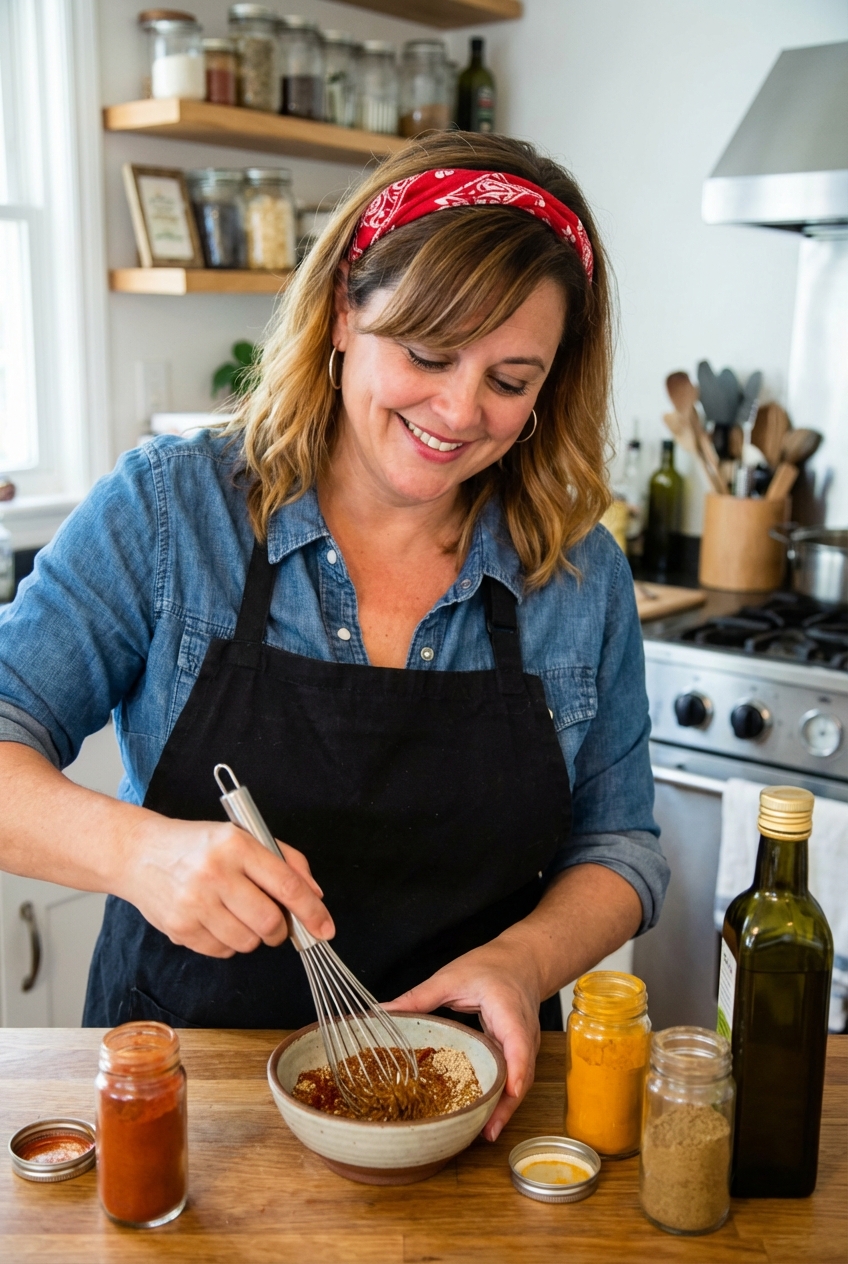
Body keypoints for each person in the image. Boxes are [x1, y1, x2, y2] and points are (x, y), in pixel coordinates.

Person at [0, 132, 667, 1142]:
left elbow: (617, 848)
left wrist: (524, 960)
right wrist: (137, 854)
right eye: (428, 353)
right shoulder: (174, 513)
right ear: (345, 311)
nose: (456, 410)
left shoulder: (576, 574)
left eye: (509, 377)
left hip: (472, 1114)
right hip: (189, 1116)